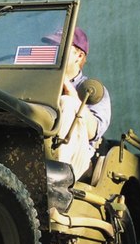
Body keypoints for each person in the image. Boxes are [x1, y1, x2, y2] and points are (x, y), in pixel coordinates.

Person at [43, 27, 112, 181]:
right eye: (49, 46)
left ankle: (57, 181)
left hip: (76, 159)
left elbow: (94, 132)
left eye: (58, 48)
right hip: (36, 150)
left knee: (67, 102)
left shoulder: (90, 89)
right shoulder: (38, 83)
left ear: (79, 56)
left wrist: (74, 97)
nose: (51, 51)